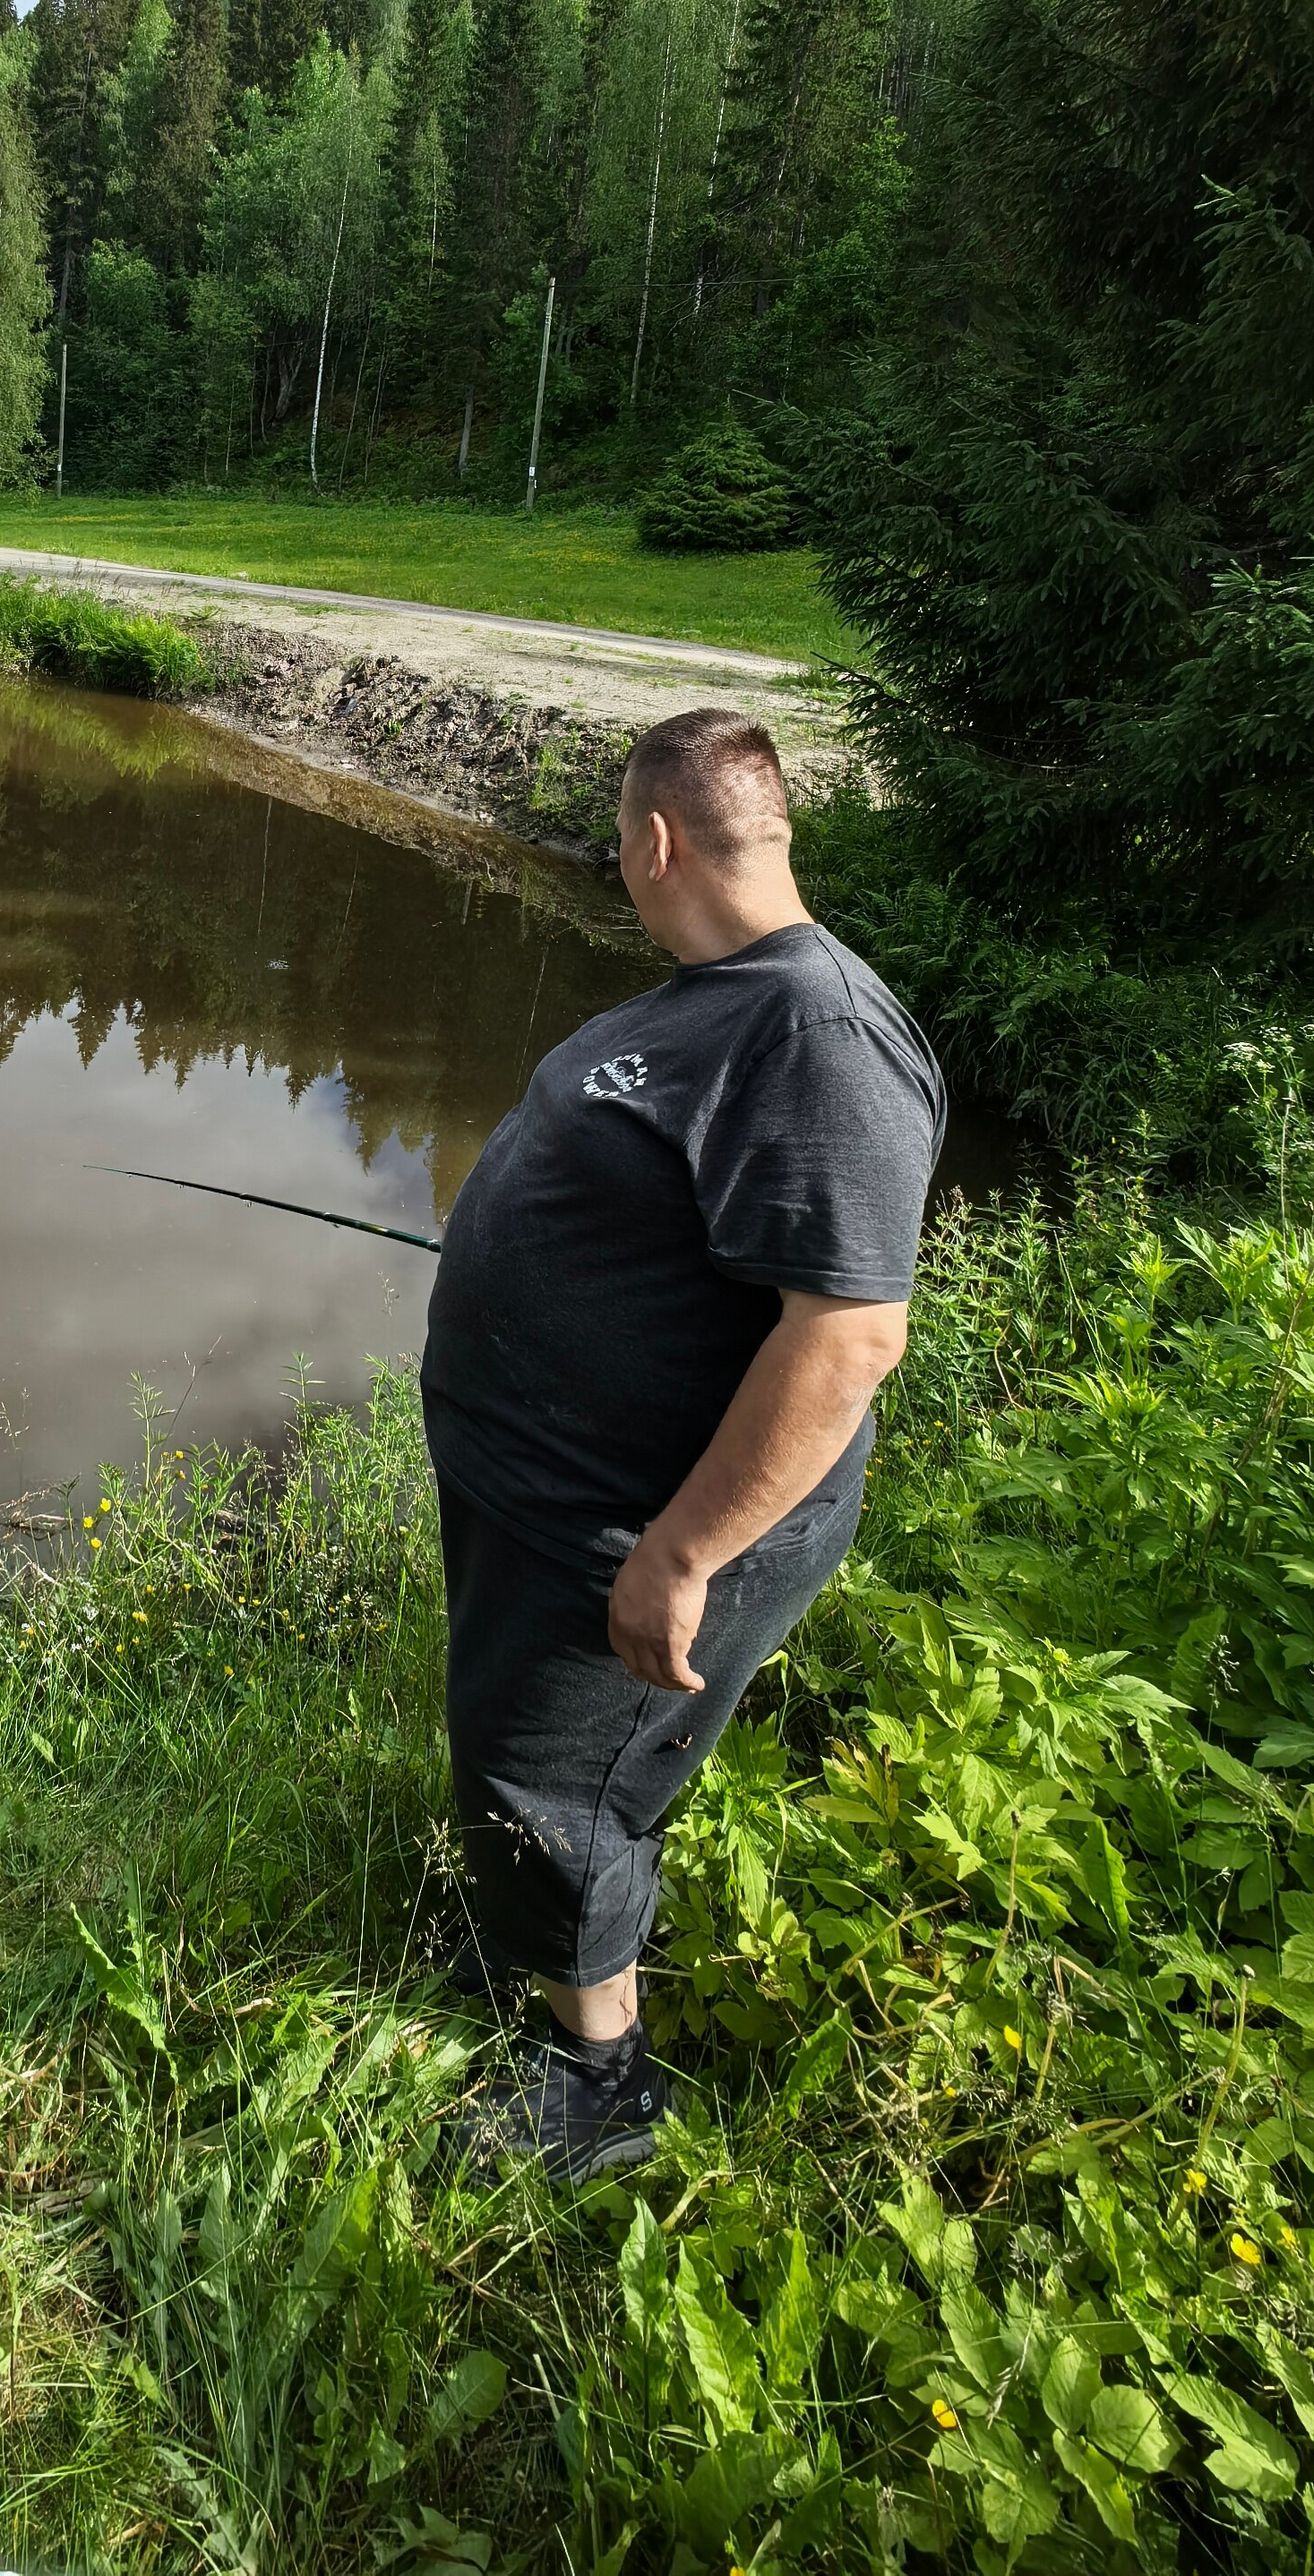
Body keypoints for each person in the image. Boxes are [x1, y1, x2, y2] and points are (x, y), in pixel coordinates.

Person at [421, 705, 944, 2182]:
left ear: (656, 840)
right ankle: (534, 1954)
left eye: (619, 841)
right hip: (546, 1487)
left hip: (636, 1525)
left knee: (566, 1782)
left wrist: (685, 1552)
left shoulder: (818, 1030)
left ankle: (603, 2087)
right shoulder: (724, 996)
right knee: (516, 1751)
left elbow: (849, 1335)